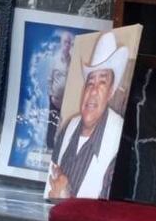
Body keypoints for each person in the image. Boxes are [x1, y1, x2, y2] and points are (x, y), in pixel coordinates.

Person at [47, 31, 128, 200]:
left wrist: (66, 198)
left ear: (111, 92)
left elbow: (108, 213)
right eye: (90, 82)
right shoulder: (69, 125)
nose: (93, 90)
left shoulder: (119, 136)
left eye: (102, 82)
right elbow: (51, 179)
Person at [46, 31, 75, 149]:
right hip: (54, 100)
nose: (67, 45)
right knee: (52, 124)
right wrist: (51, 96)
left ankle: (62, 148)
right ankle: (49, 146)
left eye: (69, 43)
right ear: (61, 43)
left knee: (65, 125)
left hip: (67, 102)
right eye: (65, 42)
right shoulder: (54, 60)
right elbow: (49, 80)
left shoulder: (74, 61)